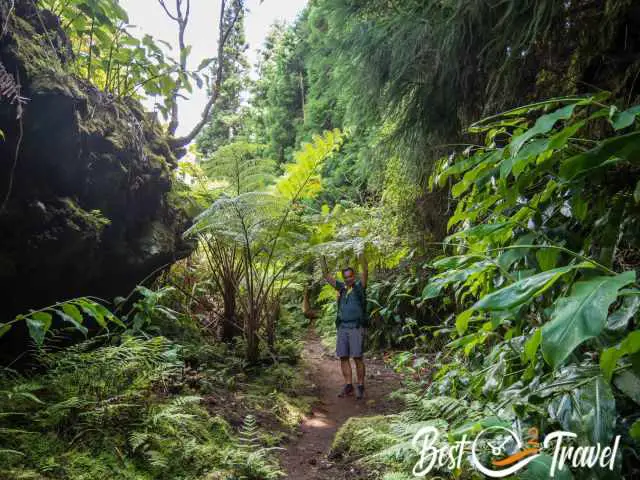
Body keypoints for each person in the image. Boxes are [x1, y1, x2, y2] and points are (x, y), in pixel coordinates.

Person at [321, 254, 368, 400]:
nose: (348, 279)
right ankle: (348, 385)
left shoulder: (360, 287)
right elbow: (327, 277)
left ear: (354, 276)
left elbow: (365, 272)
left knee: (358, 357)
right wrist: (322, 258)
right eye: (346, 277)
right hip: (342, 327)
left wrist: (360, 252)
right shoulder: (341, 288)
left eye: (350, 276)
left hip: (355, 327)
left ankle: (360, 386)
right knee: (343, 357)